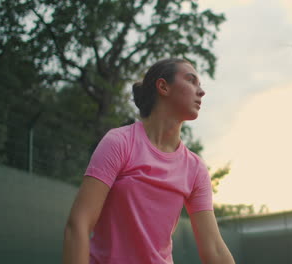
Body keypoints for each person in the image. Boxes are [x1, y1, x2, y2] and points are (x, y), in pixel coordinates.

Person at [63, 58, 235, 264]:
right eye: (191, 81)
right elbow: (79, 225)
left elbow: (214, 248)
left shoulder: (196, 168)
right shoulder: (119, 142)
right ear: (163, 86)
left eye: (200, 85)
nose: (201, 92)